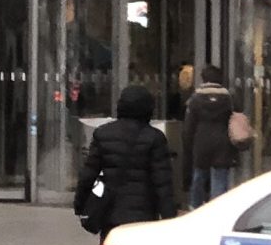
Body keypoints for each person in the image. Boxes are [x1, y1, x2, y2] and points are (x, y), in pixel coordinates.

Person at [75, 83, 176, 236]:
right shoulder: (155, 138)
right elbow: (163, 183)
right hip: (144, 215)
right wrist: (169, 217)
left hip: (111, 212)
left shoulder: (103, 134)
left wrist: (80, 204)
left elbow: (88, 174)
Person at [179, 64, 244, 209]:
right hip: (223, 142)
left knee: (199, 175)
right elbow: (238, 117)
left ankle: (195, 206)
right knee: (219, 178)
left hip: (201, 142)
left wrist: (188, 145)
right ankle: (217, 209)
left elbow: (189, 127)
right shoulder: (229, 98)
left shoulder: (195, 98)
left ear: (203, 78)